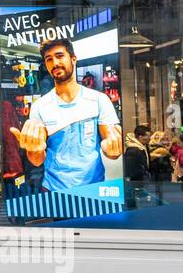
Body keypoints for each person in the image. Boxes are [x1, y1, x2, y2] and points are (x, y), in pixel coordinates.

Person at [9, 38, 124, 191]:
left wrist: (113, 150)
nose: (55, 63)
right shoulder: (40, 107)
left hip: (94, 189)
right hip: (54, 190)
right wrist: (33, 150)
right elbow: (37, 161)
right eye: (49, 59)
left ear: (73, 59)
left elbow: (112, 152)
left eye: (59, 56)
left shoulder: (99, 100)